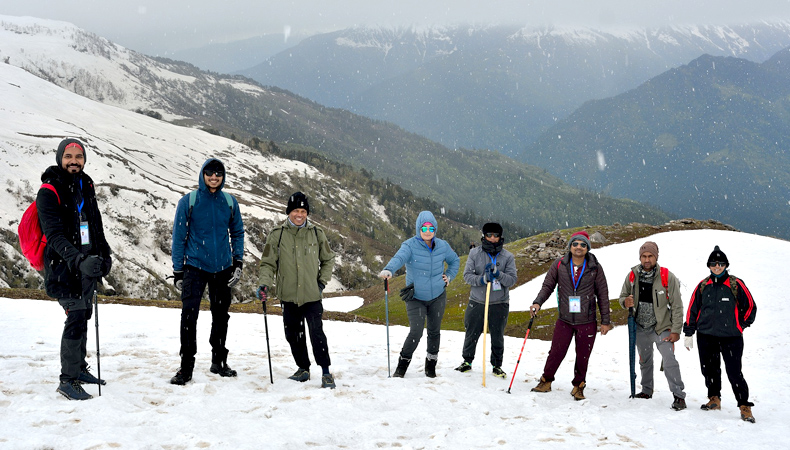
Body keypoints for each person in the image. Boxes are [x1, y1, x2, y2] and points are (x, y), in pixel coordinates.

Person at [37, 138, 112, 400]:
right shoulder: (49, 190)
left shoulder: (85, 184)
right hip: (62, 266)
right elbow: (54, 235)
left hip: (87, 264)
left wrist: (104, 253)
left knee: (84, 313)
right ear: (60, 158)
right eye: (68, 156)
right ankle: (67, 380)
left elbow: (95, 224)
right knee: (76, 314)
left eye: (78, 156)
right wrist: (78, 260)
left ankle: (79, 368)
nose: (73, 161)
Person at [170, 158, 245, 385]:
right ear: (203, 174)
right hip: (195, 267)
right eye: (210, 172)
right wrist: (178, 270)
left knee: (221, 316)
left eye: (218, 173)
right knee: (189, 316)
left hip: (223, 267)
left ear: (223, 176)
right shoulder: (189, 202)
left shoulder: (230, 202)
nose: (214, 177)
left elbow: (237, 232)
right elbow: (178, 237)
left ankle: (219, 361)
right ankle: (186, 367)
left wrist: (238, 262)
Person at [257, 192, 337, 388]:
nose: (299, 215)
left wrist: (321, 284)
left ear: (307, 213)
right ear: (289, 212)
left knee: (317, 333)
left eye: (303, 211)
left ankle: (326, 372)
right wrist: (264, 284)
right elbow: (267, 263)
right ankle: (303, 369)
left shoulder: (317, 233)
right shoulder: (277, 234)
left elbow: (328, 259)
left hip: (312, 295)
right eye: (295, 211)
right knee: (293, 334)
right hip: (288, 295)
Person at [529, 230, 611, 400]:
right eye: (575, 244)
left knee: (583, 356)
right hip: (565, 319)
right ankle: (546, 380)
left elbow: (603, 294)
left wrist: (605, 321)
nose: (578, 247)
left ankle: (578, 386)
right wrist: (537, 302)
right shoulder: (560, 264)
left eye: (582, 244)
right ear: (570, 246)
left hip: (587, 320)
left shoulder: (595, 267)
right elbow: (547, 286)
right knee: (556, 352)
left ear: (587, 248)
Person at [378, 211, 460, 378]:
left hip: (438, 295)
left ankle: (431, 367)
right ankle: (401, 367)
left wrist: (449, 275)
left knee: (434, 331)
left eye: (431, 227)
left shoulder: (442, 245)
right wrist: (389, 269)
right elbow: (399, 258)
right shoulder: (409, 245)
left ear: (435, 229)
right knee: (416, 331)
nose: (427, 230)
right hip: (415, 297)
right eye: (424, 227)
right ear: (418, 228)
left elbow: (455, 261)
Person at [684, 245, 757, 423]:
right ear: (708, 265)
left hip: (731, 337)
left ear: (726, 265)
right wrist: (689, 331)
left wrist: (740, 326)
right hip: (706, 335)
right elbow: (693, 309)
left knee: (734, 372)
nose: (717, 267)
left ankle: (744, 405)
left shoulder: (735, 284)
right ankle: (714, 398)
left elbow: (750, 306)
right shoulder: (703, 286)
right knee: (709, 370)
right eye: (713, 264)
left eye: (720, 263)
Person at [618, 241, 687, 410]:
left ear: (656, 257)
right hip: (640, 326)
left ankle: (679, 396)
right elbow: (622, 297)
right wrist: (624, 302)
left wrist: (676, 330)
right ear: (640, 257)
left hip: (662, 326)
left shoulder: (666, 276)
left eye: (650, 256)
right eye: (644, 256)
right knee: (645, 360)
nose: (647, 259)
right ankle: (646, 390)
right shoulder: (633, 275)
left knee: (669, 360)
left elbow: (677, 305)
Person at [456, 223, 517, 378]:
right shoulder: (474, 254)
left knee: (497, 335)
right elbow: (467, 276)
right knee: (471, 331)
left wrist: (498, 275)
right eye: (489, 235)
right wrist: (483, 279)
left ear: (500, 237)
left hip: (499, 303)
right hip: (477, 301)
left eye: (496, 235)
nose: (492, 238)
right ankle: (467, 361)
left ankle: (497, 365)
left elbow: (511, 280)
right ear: (483, 236)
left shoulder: (507, 256)